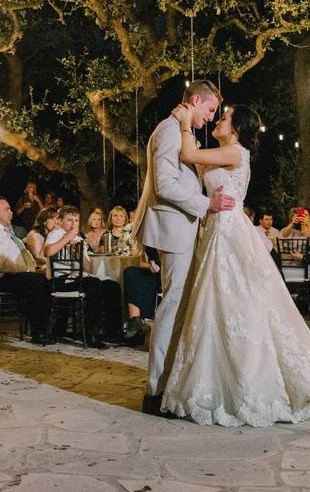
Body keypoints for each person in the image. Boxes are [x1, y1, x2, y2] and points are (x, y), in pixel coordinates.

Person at [161, 102, 310, 426]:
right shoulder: (223, 152)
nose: (217, 122)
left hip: (230, 231)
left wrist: (185, 123)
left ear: (235, 129)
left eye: (223, 119)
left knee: (237, 300)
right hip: (217, 228)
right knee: (216, 302)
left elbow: (190, 154)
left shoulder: (235, 151)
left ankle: (252, 381)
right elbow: (192, 161)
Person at [131, 80, 236, 414]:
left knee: (180, 307)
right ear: (194, 100)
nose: (209, 118)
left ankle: (170, 382)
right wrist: (206, 204)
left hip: (185, 230)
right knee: (171, 307)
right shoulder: (168, 131)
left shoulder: (180, 131)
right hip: (174, 231)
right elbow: (164, 185)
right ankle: (155, 390)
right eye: (209, 110)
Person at [0, 197, 54, 345]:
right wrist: (29, 270)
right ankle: (39, 332)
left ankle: (48, 328)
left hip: (14, 274)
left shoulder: (1, 231)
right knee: (37, 281)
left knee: (47, 280)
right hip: (2, 277)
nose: (11, 212)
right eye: (7, 209)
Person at [44, 206, 122, 347]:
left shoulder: (79, 239)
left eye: (76, 220)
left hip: (79, 277)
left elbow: (88, 267)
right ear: (60, 221)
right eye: (69, 220)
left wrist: (77, 250)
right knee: (93, 284)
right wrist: (67, 238)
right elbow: (48, 251)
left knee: (112, 286)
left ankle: (112, 332)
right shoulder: (55, 234)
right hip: (60, 279)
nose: (73, 224)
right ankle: (89, 332)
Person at [122, 245, 161, 344]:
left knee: (145, 284)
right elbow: (141, 263)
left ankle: (139, 326)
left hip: (162, 274)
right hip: (151, 271)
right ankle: (135, 319)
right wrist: (150, 266)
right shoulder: (149, 243)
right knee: (130, 271)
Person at [23, 207, 58, 272]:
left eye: (57, 218)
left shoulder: (52, 235)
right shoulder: (34, 234)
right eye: (52, 218)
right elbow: (40, 258)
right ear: (44, 221)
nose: (56, 222)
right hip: (37, 272)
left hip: (50, 269)